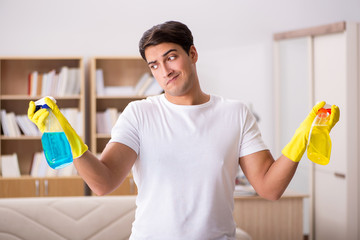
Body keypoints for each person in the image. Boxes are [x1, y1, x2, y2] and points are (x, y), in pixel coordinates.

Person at [28, 21, 340, 240]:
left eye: (171, 57)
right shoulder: (140, 113)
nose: (164, 71)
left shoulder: (235, 113)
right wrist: (69, 138)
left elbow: (269, 189)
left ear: (192, 54)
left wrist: (300, 142)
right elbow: (103, 182)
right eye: (154, 65)